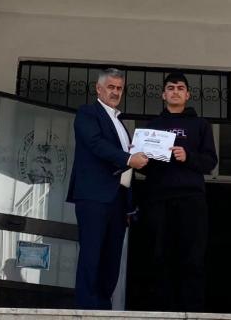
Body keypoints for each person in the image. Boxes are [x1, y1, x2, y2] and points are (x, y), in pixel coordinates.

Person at [66, 68, 149, 310]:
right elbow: (96, 144)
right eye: (111, 87)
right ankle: (85, 309)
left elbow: (125, 162)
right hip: (94, 195)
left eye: (119, 88)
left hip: (119, 198)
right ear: (98, 88)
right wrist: (128, 158)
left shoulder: (120, 123)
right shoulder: (87, 113)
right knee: (92, 253)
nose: (115, 92)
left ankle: (103, 308)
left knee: (112, 258)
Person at [141, 72, 218, 312]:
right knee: (158, 256)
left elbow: (210, 162)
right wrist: (141, 158)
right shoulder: (152, 127)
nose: (175, 91)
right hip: (158, 199)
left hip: (191, 199)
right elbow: (144, 168)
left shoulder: (200, 125)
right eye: (171, 88)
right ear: (163, 94)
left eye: (180, 88)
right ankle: (161, 311)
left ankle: (192, 311)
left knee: (192, 257)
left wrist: (188, 156)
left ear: (188, 95)